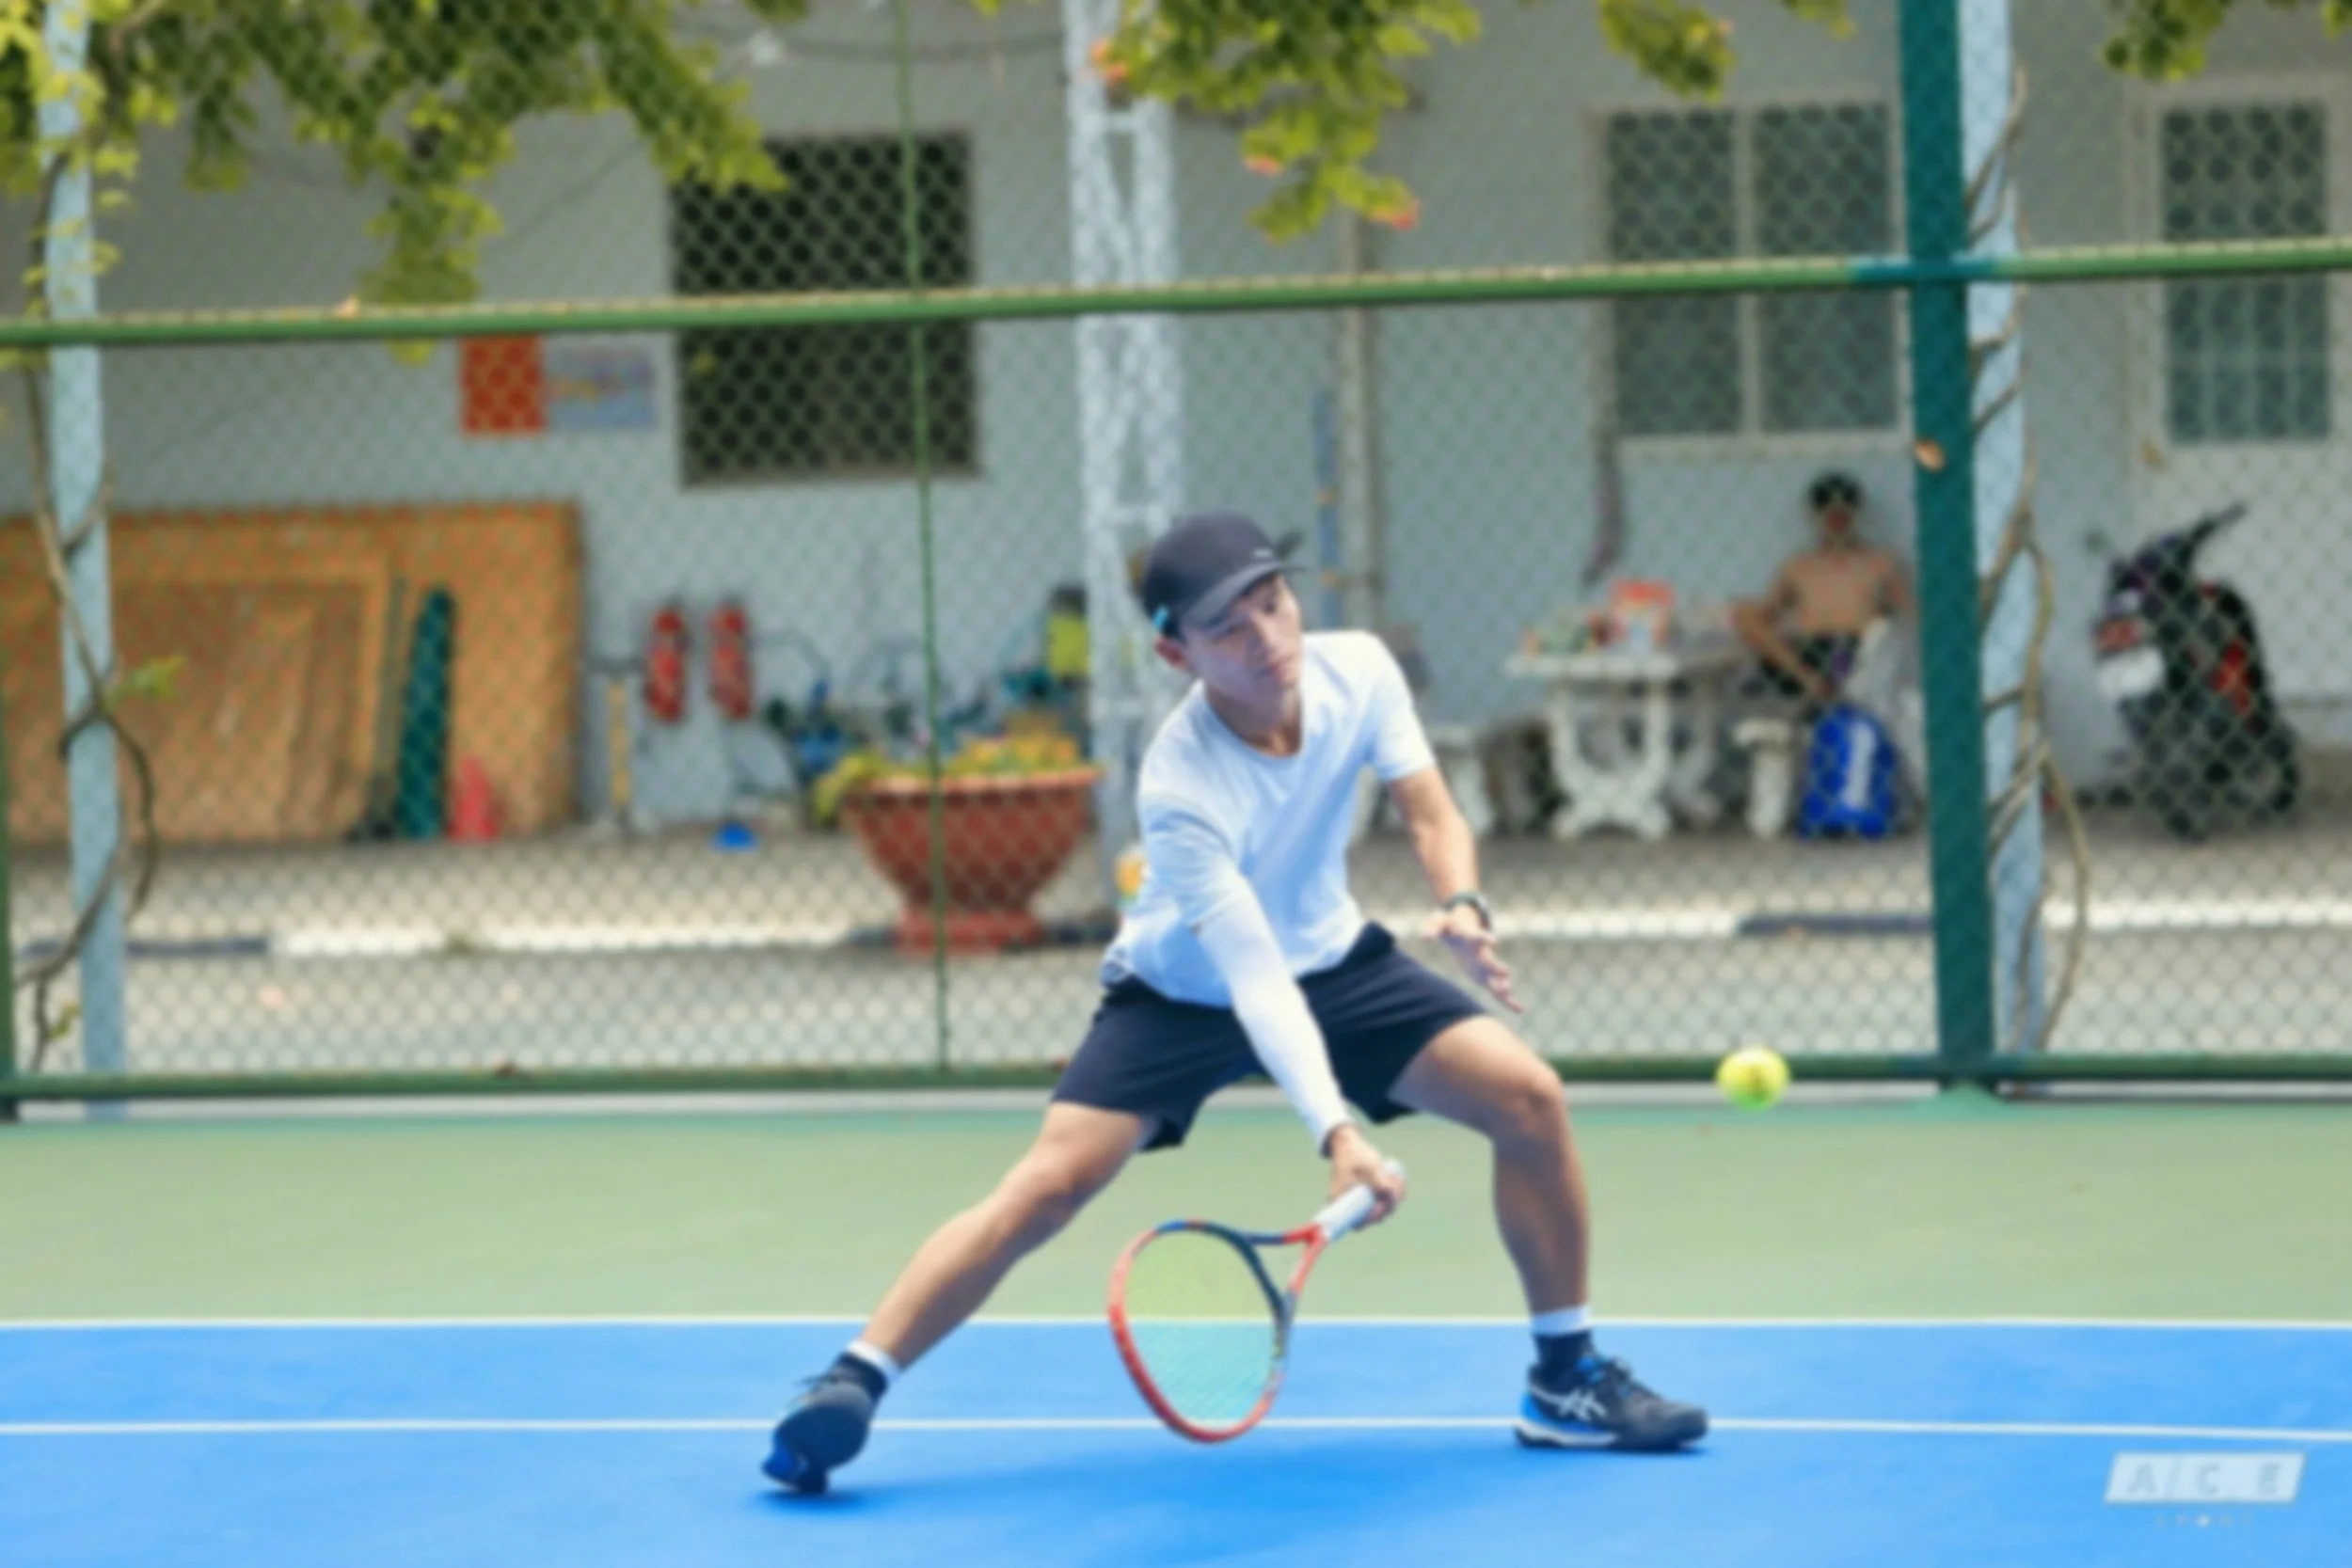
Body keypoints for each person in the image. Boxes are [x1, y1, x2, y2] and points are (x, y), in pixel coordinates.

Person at [763, 513, 1707, 1495]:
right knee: (1044, 1187)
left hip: (1334, 959)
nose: (1268, 638)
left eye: (1273, 602)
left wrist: (1459, 899)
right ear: (1178, 653)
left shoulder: (1360, 669)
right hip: (1184, 990)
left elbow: (1428, 808)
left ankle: (1565, 1381)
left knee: (1529, 1097)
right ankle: (852, 1379)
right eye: (1229, 629)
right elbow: (1254, 979)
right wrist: (1336, 1132)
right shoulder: (1179, 785)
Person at [1731, 472, 1915, 705]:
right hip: (1811, 655)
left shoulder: (1880, 562)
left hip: (1860, 648)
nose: (1836, 518)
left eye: (1843, 512)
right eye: (1829, 512)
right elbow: (1765, 615)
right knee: (1744, 613)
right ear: (1815, 516)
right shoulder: (1800, 566)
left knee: (1884, 636)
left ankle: (1841, 686)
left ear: (1856, 513)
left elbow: (1908, 614)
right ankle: (1812, 682)